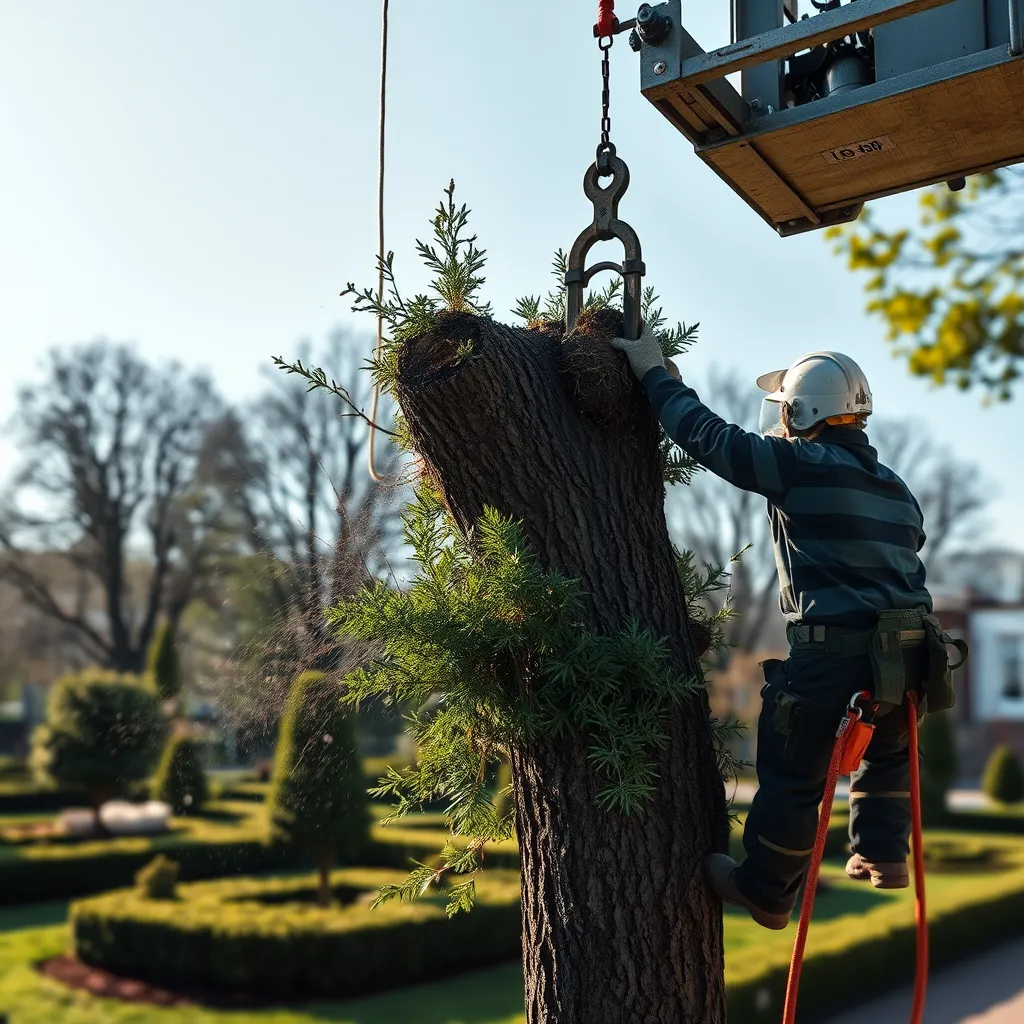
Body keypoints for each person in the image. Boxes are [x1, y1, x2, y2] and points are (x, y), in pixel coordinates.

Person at [612, 327, 936, 931]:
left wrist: (657, 379)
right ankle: (882, 852)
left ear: (803, 411)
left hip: (833, 653)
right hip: (909, 653)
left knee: (794, 771)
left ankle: (765, 891)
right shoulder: (898, 488)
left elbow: (713, 441)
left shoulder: (800, 465)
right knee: (888, 748)